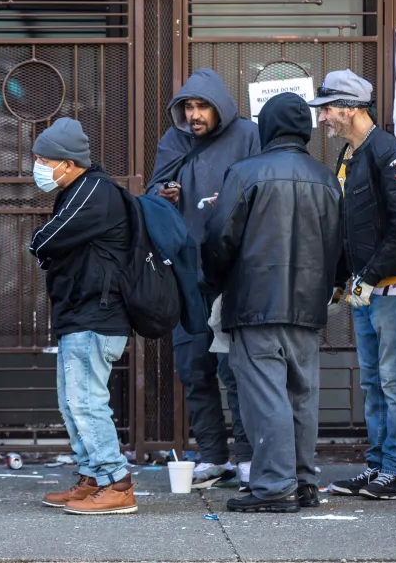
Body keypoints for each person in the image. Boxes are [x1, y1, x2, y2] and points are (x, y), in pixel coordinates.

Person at [202, 92, 343, 513]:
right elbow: (341, 245)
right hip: (308, 305)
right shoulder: (326, 178)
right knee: (301, 395)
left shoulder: (246, 173)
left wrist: (212, 282)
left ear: (267, 127)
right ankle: (302, 482)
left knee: (265, 395)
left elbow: (218, 240)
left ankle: (274, 486)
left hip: (254, 303)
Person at [310, 70, 396, 500]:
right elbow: (349, 227)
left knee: (395, 382)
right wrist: (344, 280)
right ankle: (379, 466)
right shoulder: (350, 153)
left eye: (327, 109)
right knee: (374, 383)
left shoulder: (389, 154)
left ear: (351, 108)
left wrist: (366, 277)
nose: (322, 118)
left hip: (395, 290)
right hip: (367, 291)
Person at [146, 68, 260, 490]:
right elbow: (152, 196)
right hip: (185, 272)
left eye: (201, 107)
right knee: (193, 368)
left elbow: (260, 190)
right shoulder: (173, 141)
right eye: (188, 107)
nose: (194, 115)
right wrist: (165, 196)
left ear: (220, 107)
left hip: (232, 271)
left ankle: (247, 456)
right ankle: (213, 456)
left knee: (236, 369)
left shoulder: (247, 135)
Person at [29, 118, 136, 515]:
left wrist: (40, 244)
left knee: (86, 402)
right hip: (81, 313)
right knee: (73, 402)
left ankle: (117, 483)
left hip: (96, 314)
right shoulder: (78, 189)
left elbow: (48, 239)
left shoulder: (93, 191)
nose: (37, 167)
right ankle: (92, 477)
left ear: (68, 162)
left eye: (43, 159)